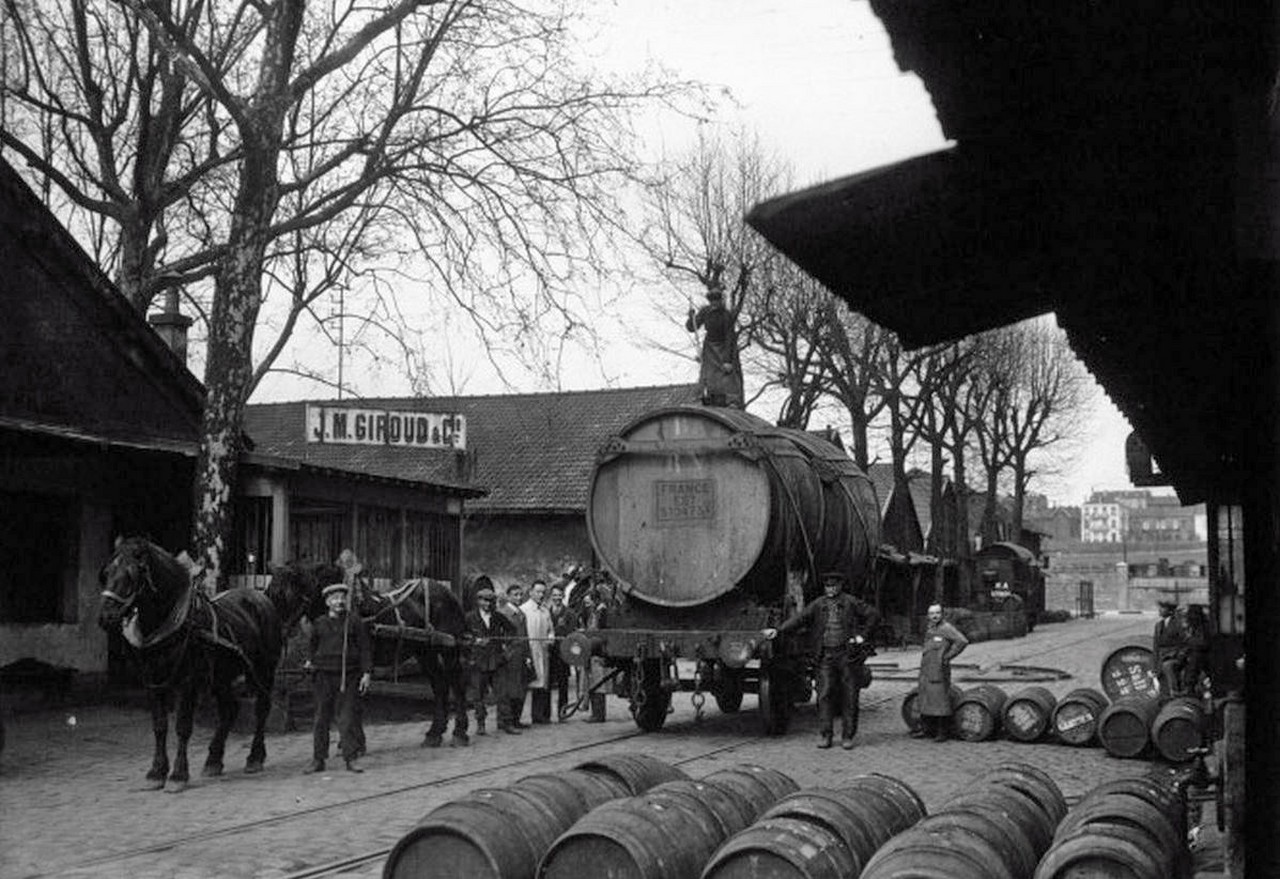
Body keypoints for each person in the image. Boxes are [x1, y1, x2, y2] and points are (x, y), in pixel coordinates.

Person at [761, 571, 879, 750]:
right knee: (824, 695)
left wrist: (861, 636)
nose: (831, 589)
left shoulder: (850, 602)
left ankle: (847, 736)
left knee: (850, 695)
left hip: (847, 656)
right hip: (825, 656)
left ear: (840, 586)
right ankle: (826, 735)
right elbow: (799, 619)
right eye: (828, 586)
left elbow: (873, 614)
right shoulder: (818, 604)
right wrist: (778, 630)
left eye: (834, 586)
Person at [303, 582, 373, 773]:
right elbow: (312, 646)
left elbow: (365, 649)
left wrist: (366, 673)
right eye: (334, 599)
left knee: (346, 719)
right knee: (321, 719)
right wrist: (309, 661)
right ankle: (318, 760)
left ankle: (351, 758)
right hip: (323, 677)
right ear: (327, 602)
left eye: (342, 598)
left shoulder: (354, 622)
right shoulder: (319, 623)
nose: (339, 602)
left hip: (348, 677)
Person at [463, 583, 520, 735]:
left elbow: (513, 632)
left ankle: (507, 723)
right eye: (485, 601)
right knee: (478, 696)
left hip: (497, 661)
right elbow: (462, 637)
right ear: (478, 601)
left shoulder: (498, 617)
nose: (488, 604)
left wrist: (507, 651)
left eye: (490, 601)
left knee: (503, 694)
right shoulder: (469, 618)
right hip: (478, 663)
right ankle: (481, 724)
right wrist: (474, 642)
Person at [913, 603, 968, 742]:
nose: (935, 616)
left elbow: (962, 641)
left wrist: (948, 656)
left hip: (938, 669)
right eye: (932, 613)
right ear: (928, 616)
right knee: (926, 698)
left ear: (942, 614)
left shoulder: (946, 628)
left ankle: (942, 732)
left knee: (940, 700)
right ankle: (926, 729)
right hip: (926, 669)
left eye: (937, 613)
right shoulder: (930, 628)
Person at [685, 284, 744, 407]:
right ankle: (703, 397)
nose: (714, 304)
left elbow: (729, 337)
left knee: (727, 374)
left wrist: (727, 360)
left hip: (724, 346)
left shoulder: (726, 315)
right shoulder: (705, 312)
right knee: (707, 374)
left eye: (717, 300)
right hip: (709, 347)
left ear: (720, 301)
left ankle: (732, 400)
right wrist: (691, 317)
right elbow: (692, 327)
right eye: (712, 301)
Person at [497, 583, 532, 728]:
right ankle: (505, 721)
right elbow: (498, 637)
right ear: (508, 596)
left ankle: (516, 719)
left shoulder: (521, 613)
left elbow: (526, 636)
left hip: (521, 655)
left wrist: (528, 655)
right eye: (515, 595)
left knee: (521, 688)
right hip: (510, 656)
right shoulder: (502, 613)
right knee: (508, 689)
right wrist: (505, 654)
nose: (519, 597)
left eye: (520, 594)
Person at [521, 579, 555, 724]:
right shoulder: (524, 610)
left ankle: (539, 715)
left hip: (543, 651)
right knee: (529, 682)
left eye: (543, 592)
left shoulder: (545, 610)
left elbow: (550, 630)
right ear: (531, 592)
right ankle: (516, 718)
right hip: (529, 651)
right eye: (538, 592)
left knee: (543, 683)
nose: (541, 595)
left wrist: (550, 639)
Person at [547, 583, 579, 720]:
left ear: (563, 596)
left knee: (563, 684)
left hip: (563, 653)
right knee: (547, 684)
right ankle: (545, 715)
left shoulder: (570, 613)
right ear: (551, 596)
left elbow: (573, 633)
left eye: (559, 595)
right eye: (554, 595)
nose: (557, 598)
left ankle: (562, 712)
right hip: (549, 653)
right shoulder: (546, 612)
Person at [1154, 599, 1190, 698]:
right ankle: (1164, 696)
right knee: (1159, 673)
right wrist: (1155, 665)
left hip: (1175, 657)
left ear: (1170, 611)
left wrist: (1178, 655)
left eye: (1163, 608)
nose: (1159, 610)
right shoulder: (1159, 625)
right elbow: (1156, 646)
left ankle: (1175, 691)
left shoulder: (1178, 624)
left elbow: (1185, 643)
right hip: (1162, 657)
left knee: (1168, 666)